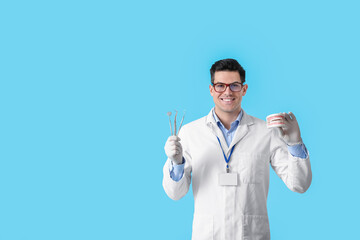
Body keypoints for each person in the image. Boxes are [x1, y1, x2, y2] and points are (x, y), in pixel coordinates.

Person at [162, 58, 312, 240]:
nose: (227, 92)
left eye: (234, 85)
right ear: (211, 90)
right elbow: (175, 193)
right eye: (220, 86)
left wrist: (295, 143)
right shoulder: (190, 132)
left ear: (244, 89)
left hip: (252, 235)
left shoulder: (265, 132)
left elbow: (300, 184)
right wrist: (177, 163)